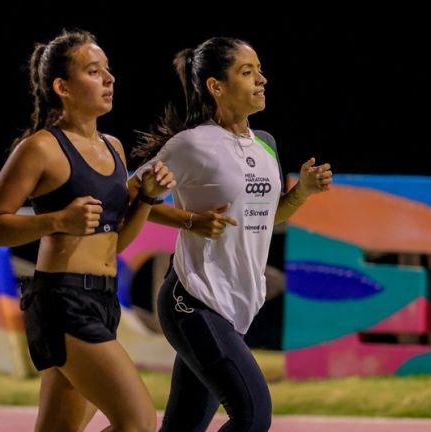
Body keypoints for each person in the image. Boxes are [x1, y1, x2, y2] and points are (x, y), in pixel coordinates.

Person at [0, 29, 175, 432]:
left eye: (108, 71)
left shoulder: (115, 148)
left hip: (103, 299)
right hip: (63, 301)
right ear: (62, 87)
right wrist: (56, 221)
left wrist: (146, 200)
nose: (109, 79)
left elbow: (115, 242)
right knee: (137, 422)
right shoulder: (40, 148)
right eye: (93, 71)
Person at [132, 37, 333, 431]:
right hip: (193, 301)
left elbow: (266, 218)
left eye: (259, 70)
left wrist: (302, 193)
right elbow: (132, 197)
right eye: (247, 71)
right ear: (216, 86)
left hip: (235, 304)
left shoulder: (266, 145)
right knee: (253, 416)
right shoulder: (191, 144)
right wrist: (189, 221)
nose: (262, 79)